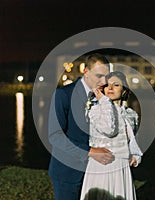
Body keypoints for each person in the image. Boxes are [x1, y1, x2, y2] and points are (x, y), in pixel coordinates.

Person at [48, 53, 115, 200]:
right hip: (68, 172)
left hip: (95, 172)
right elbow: (55, 137)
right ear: (85, 71)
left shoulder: (104, 97)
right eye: (99, 76)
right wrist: (90, 152)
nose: (104, 81)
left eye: (106, 76)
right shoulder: (63, 94)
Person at [80, 71, 143, 200]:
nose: (110, 88)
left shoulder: (131, 114)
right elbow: (108, 129)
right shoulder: (96, 110)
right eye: (107, 85)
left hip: (121, 166)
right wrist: (103, 101)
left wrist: (135, 156)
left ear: (124, 90)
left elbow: (132, 140)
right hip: (101, 166)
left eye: (116, 85)